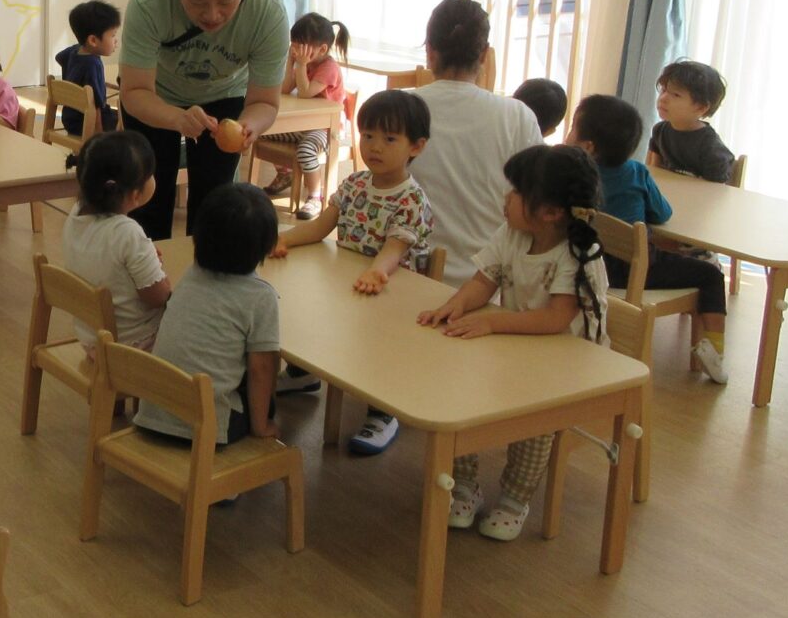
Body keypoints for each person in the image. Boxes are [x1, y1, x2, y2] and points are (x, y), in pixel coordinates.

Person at [416, 146, 610, 541]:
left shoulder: (578, 253)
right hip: (519, 346)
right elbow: (482, 281)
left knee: (536, 423)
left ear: (550, 212)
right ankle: (464, 486)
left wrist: (491, 321)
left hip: (568, 364)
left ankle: (514, 500)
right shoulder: (512, 234)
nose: (507, 198)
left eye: (518, 191)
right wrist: (454, 306)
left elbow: (556, 319)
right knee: (460, 392)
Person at [271, 89, 434, 456]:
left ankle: (383, 412)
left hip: (391, 294)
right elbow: (320, 226)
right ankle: (301, 373)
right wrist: (284, 239)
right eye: (368, 135)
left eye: (389, 139)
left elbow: (395, 249)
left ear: (416, 146)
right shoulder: (355, 183)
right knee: (297, 301)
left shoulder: (411, 199)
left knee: (379, 350)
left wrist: (376, 273)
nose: (374, 146)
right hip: (347, 281)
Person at [118, 0, 290, 240]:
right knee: (147, 198)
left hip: (224, 95)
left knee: (215, 202)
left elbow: (265, 102)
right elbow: (134, 91)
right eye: (197, 1)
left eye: (227, 1)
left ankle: (204, 269)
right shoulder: (151, 0)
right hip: (155, 96)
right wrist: (177, 118)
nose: (213, 15)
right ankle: (146, 268)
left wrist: (248, 127)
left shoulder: (267, 11)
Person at [570, 93, 729, 384]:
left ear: (588, 146)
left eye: (572, 129)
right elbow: (662, 212)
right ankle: (715, 351)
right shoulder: (636, 172)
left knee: (669, 250)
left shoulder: (573, 172)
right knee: (711, 274)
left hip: (586, 265)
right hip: (634, 271)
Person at [408, 0, 542, 285]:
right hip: (489, 288)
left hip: (401, 275)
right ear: (484, 55)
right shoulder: (518, 117)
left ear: (430, 52)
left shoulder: (399, 109)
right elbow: (538, 208)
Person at [135, 183, 280, 446]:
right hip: (204, 428)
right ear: (268, 247)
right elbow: (261, 369)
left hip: (153, 412)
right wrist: (261, 427)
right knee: (266, 385)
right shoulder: (261, 296)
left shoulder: (192, 274)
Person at [61, 131, 171, 353]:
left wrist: (144, 260)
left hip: (92, 339)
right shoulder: (128, 233)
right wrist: (162, 277)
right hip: (133, 345)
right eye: (150, 175)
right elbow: (158, 298)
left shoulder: (76, 214)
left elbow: (109, 261)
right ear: (135, 194)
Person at [267, 12, 351, 220]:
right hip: (303, 126)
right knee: (263, 130)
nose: (296, 50)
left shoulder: (329, 68)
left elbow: (305, 92)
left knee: (306, 151)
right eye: (294, 44)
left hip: (326, 129)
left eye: (301, 45)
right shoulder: (307, 63)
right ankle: (285, 174)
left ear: (322, 49)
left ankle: (315, 196)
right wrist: (290, 62)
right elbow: (285, 89)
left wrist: (301, 65)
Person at [648, 59, 737, 183]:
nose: (663, 98)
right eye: (663, 90)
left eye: (676, 95)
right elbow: (652, 172)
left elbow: (716, 188)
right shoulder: (659, 130)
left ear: (701, 107)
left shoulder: (710, 146)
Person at [55, 0, 121, 136]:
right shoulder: (94, 64)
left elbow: (59, 57)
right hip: (87, 122)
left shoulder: (74, 51)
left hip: (70, 119)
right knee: (129, 120)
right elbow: (96, 106)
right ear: (93, 40)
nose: (116, 41)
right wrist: (97, 135)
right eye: (113, 35)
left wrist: (72, 80)